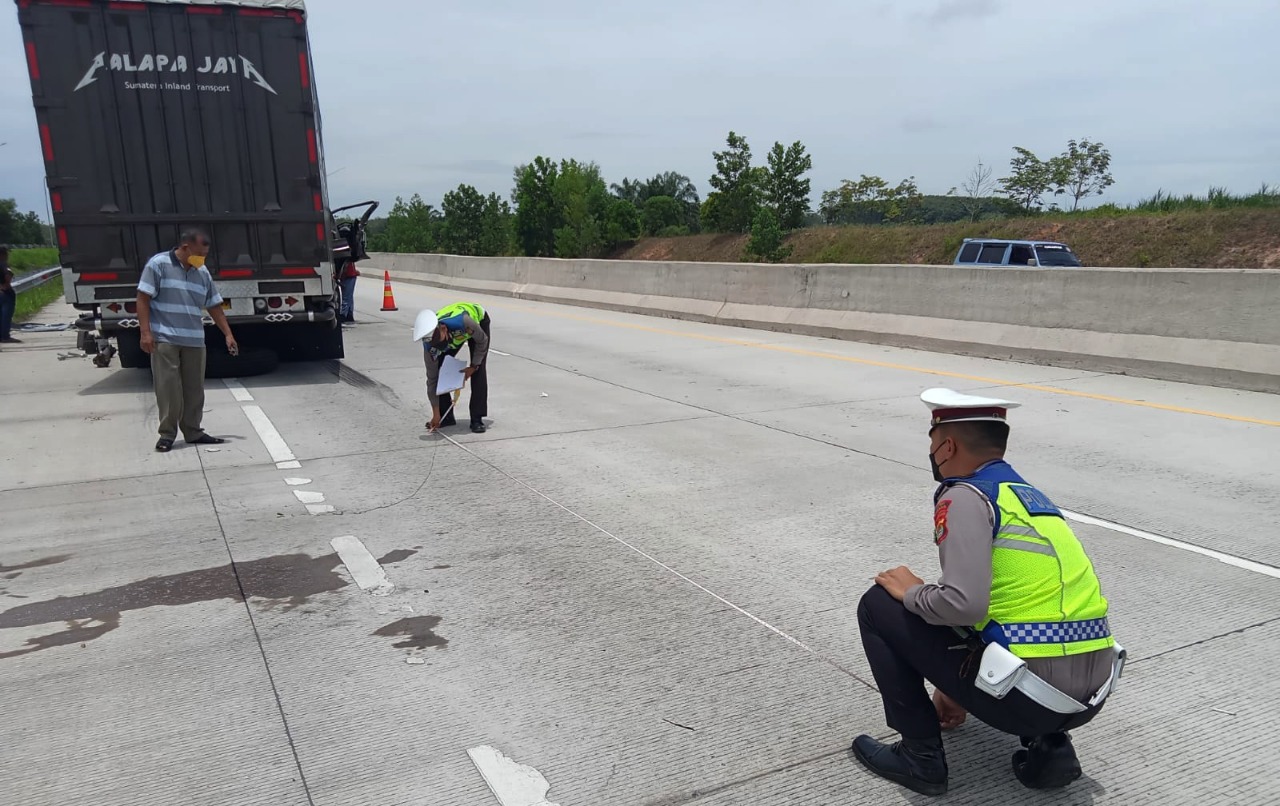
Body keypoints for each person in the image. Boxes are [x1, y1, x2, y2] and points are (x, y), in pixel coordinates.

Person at [851, 387, 1124, 796]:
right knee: (1023, 615)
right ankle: (1052, 749)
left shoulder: (965, 496)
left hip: (1033, 698)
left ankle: (920, 758)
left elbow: (963, 604)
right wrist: (951, 686)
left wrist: (912, 593)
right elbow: (1006, 603)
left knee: (879, 603)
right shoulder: (1027, 498)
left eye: (931, 440)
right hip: (1089, 696)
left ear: (947, 446)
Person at [136, 229, 239, 452]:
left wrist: (228, 334)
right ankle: (167, 434)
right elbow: (143, 298)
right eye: (199, 253)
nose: (202, 259)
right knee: (169, 388)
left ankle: (193, 431)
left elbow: (213, 305)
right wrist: (146, 332)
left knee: (194, 389)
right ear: (185, 248)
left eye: (205, 255)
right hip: (165, 338)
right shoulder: (159, 264)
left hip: (194, 339)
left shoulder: (202, 273)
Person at [414, 302, 490, 433]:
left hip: (478, 322)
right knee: (439, 370)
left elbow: (482, 340)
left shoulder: (463, 322)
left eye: (442, 342)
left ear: (443, 328)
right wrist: (436, 414)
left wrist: (473, 367)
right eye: (437, 346)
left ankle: (477, 419)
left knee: (478, 370)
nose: (441, 346)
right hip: (455, 335)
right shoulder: (429, 348)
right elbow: (432, 381)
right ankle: (446, 416)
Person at [0, 247, 18, 344]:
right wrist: (5, 285)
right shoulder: (3, 264)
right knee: (6, 316)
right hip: (5, 293)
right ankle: (5, 337)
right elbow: (8, 274)